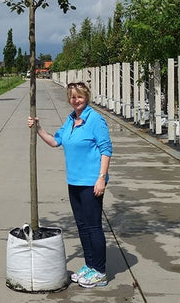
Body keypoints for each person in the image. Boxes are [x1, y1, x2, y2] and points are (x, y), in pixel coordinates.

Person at [28, 81, 112, 288]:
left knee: (93, 227)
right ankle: (90, 265)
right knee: (82, 226)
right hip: (73, 181)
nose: (76, 100)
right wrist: (38, 129)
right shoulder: (70, 120)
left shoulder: (95, 120)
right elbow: (56, 141)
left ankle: (100, 272)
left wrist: (101, 177)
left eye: (80, 96)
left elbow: (106, 150)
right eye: (72, 97)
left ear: (87, 97)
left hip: (91, 183)